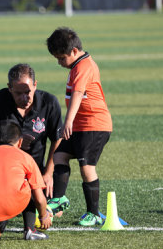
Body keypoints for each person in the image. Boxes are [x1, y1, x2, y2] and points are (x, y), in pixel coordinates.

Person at [0, 63, 63, 226]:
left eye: (28, 92)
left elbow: (57, 139)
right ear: (9, 88)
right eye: (18, 93)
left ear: (35, 85)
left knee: (55, 211)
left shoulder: (49, 102)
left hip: (35, 169)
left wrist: (49, 173)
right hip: (6, 170)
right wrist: (14, 140)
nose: (24, 98)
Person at [45, 27, 113, 226]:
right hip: (81, 125)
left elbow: (78, 93)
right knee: (60, 155)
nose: (59, 63)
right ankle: (59, 198)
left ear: (74, 51)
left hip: (94, 124)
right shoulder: (77, 65)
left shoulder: (84, 67)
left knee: (87, 167)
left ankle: (93, 213)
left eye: (61, 58)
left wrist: (68, 121)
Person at [0, 120, 52, 245]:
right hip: (13, 203)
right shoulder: (26, 158)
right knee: (29, 185)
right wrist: (43, 216)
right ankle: (30, 230)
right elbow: (39, 198)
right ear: (20, 142)